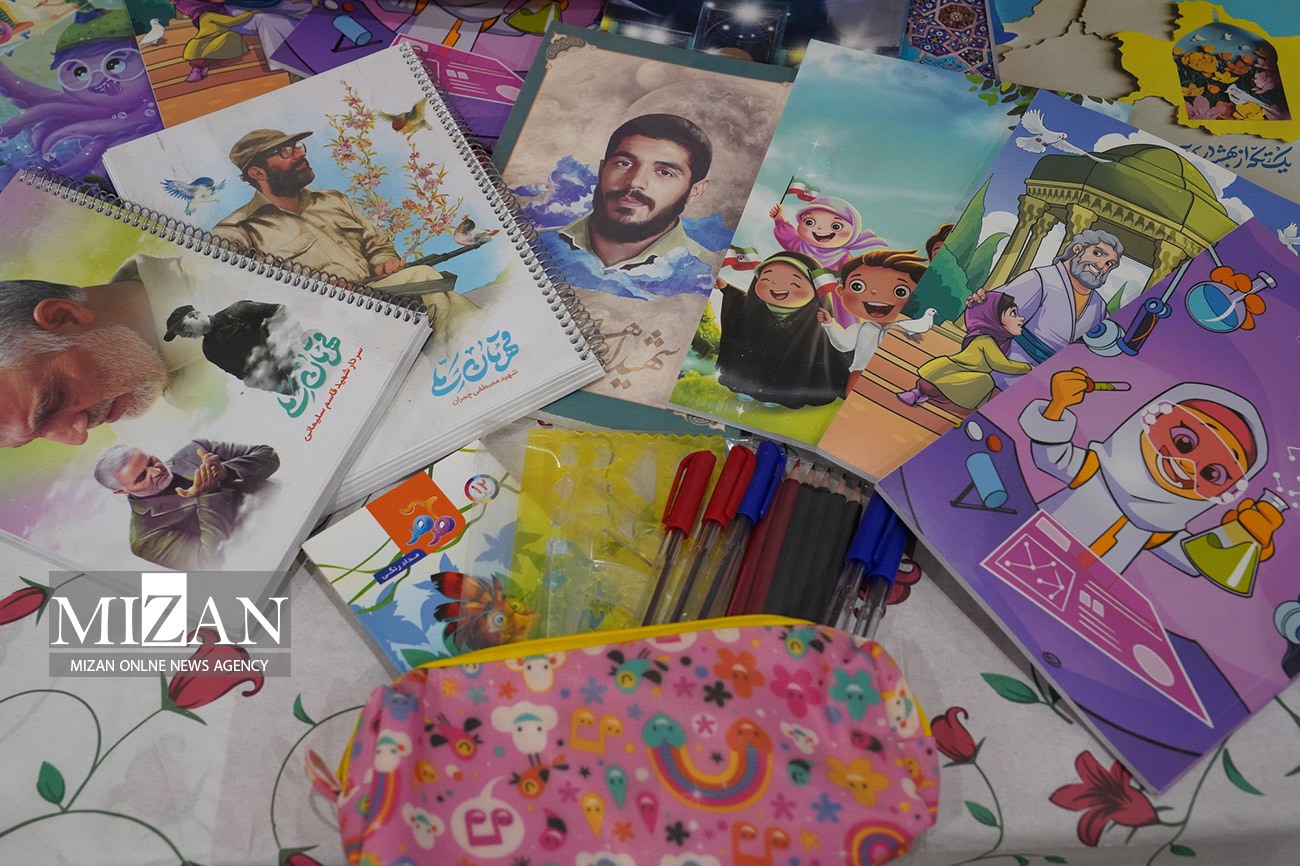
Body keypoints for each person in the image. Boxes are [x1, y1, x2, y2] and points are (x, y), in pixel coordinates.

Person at [1018, 372, 1282, 577]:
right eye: (1184, 442)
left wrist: (1244, 541)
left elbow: (1196, 560)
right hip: (1025, 549)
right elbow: (1051, 457)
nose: (1187, 466)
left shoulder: (1159, 526)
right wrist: (1057, 405)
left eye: (1212, 473)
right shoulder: (1099, 469)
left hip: (1078, 593)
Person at [213, 129, 443, 289]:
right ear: (257, 173)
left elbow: (377, 246)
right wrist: (313, 290)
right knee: (422, 276)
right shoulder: (237, 231)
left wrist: (384, 262)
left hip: (381, 294)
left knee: (428, 281)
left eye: (297, 147)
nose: (301, 154)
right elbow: (240, 291)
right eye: (285, 152)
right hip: (324, 320)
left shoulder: (333, 200)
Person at [546, 113, 714, 284]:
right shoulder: (539, 245)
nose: (635, 182)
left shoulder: (709, 274)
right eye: (624, 163)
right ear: (602, 170)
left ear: (695, 191)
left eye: (664, 172)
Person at [94, 439, 280, 570]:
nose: (156, 471)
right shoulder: (145, 538)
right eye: (142, 477)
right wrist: (209, 494)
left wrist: (226, 470)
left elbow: (269, 456)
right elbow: (211, 564)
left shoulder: (195, 450)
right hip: (269, 552)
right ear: (121, 491)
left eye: (151, 461)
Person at [968, 229, 1124, 367]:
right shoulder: (1040, 279)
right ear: (1077, 249)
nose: (1101, 266)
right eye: (1097, 254)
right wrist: (981, 302)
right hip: (1008, 367)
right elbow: (989, 314)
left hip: (1052, 380)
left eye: (1109, 264)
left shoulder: (1099, 306)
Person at [715, 251, 850, 409]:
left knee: (787, 371)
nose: (777, 286)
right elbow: (741, 304)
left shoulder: (815, 319)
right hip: (753, 356)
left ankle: (776, 397)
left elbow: (832, 347)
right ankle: (742, 388)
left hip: (789, 365)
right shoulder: (754, 309)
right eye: (766, 279)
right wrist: (727, 289)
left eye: (795, 283)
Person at [817, 249, 929, 396]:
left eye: (900, 291)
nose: (875, 293)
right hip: (860, 373)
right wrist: (830, 324)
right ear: (841, 291)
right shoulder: (860, 328)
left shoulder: (907, 329)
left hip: (897, 375)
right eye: (857, 286)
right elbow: (844, 344)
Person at [898, 291, 1032, 410]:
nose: (1021, 319)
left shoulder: (994, 341)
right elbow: (1001, 364)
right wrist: (1028, 368)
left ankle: (921, 394)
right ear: (992, 317)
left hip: (955, 374)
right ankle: (920, 393)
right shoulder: (985, 340)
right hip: (955, 372)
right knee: (985, 380)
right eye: (1013, 314)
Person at [163, 300, 302, 394]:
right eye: (180, 334)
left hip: (296, 359)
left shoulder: (236, 311)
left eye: (181, 328)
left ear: (193, 315)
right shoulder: (209, 351)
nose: (183, 335)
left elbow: (280, 311)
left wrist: (282, 344)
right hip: (282, 384)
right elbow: (243, 376)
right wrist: (266, 385)